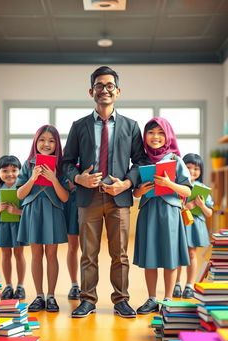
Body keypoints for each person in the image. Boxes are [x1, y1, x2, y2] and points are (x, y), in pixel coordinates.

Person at [62, 65, 146, 318]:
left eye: (110, 86)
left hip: (119, 198)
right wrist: (78, 178)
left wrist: (127, 183)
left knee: (119, 254)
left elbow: (140, 161)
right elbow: (66, 162)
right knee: (89, 253)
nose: (105, 90)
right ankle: (87, 300)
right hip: (88, 198)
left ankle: (121, 300)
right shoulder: (79, 126)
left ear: (118, 91)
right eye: (99, 86)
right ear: (91, 91)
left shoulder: (131, 126)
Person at [133, 117, 192, 314]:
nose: (155, 137)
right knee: (150, 256)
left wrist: (169, 184)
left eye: (160, 133)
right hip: (149, 211)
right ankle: (152, 299)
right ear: (145, 136)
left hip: (170, 214)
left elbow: (187, 191)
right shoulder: (141, 161)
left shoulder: (176, 160)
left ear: (167, 136)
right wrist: (140, 190)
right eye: (151, 132)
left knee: (170, 256)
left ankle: (167, 300)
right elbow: (135, 193)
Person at [16, 125, 69, 312]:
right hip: (32, 212)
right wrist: (32, 178)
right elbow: (20, 195)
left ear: (57, 144)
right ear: (36, 141)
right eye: (42, 140)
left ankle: (51, 296)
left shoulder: (61, 166)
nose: (46, 144)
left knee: (52, 255)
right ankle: (39, 296)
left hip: (53, 212)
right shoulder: (28, 164)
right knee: (36, 255)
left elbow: (65, 197)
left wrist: (54, 179)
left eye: (51, 140)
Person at [173, 153, 213, 299]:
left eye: (196, 168)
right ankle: (176, 283)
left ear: (201, 171)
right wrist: (187, 206)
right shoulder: (178, 186)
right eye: (188, 167)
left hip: (195, 225)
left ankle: (189, 285)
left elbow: (209, 213)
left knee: (191, 254)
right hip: (180, 223)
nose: (191, 171)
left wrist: (201, 205)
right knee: (177, 255)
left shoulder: (203, 189)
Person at [0, 155, 27, 300]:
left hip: (18, 226)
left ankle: (20, 286)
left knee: (19, 254)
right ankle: (8, 285)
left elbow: (28, 212)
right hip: (2, 226)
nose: (10, 174)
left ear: (20, 171)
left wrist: (16, 211)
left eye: (14, 170)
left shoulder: (22, 190)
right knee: (5, 255)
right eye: (5, 170)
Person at [63, 182, 80, 300]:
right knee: (73, 246)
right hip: (69, 200)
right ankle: (74, 284)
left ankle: (89, 286)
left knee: (88, 248)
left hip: (90, 198)